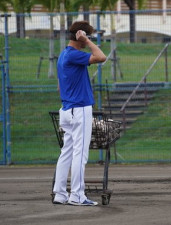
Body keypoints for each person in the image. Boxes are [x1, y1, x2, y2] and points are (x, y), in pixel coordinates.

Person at [52, 21, 106, 206]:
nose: (89, 40)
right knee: (79, 154)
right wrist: (87, 41)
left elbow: (60, 87)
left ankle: (60, 193)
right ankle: (77, 195)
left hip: (67, 109)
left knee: (66, 153)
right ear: (80, 35)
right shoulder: (74, 54)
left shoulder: (64, 55)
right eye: (87, 36)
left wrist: (85, 39)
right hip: (79, 109)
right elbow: (101, 57)